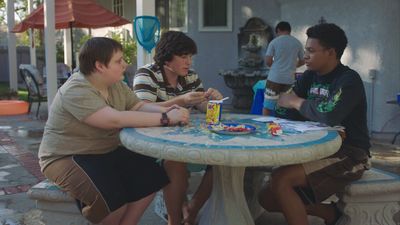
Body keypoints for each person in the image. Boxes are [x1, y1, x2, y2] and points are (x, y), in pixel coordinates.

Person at [38, 37, 189, 225]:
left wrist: (169, 110)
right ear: (100, 66)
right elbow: (113, 119)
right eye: (118, 61)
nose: (125, 65)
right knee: (114, 202)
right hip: (65, 156)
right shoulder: (76, 89)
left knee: (151, 177)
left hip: (104, 151)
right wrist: (166, 119)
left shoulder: (115, 83)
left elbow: (137, 106)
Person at [258, 23, 371, 225]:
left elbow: (329, 115)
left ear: (330, 52)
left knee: (282, 180)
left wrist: (296, 102)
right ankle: (331, 214)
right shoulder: (309, 76)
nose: (305, 56)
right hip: (318, 149)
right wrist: (291, 104)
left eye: (310, 51)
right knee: (266, 197)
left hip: (351, 153)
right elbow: (284, 110)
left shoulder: (348, 80)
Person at [133, 31, 222, 225]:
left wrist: (214, 101)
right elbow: (141, 111)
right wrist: (181, 100)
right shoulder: (146, 74)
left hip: (186, 139)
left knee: (223, 160)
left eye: (190, 57)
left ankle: (192, 210)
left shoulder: (190, 77)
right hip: (151, 144)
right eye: (183, 56)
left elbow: (203, 107)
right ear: (167, 57)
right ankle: (175, 220)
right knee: (175, 161)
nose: (189, 62)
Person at [263, 21, 305, 115]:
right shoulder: (297, 43)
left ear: (278, 30)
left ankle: (266, 126)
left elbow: (268, 61)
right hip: (289, 79)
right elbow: (303, 60)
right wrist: (293, 66)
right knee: (286, 106)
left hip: (274, 78)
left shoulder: (274, 42)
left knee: (268, 106)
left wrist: (275, 67)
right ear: (289, 31)